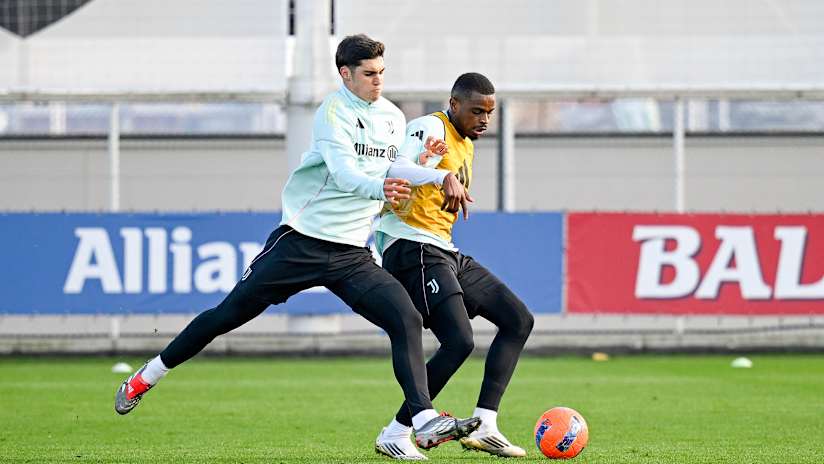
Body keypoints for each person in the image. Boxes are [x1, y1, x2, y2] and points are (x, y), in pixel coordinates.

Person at [114, 34, 481, 450]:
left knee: (406, 319)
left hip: (351, 254)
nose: (378, 80)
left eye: (381, 72)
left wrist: (433, 170)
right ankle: (147, 376)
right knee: (226, 315)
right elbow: (344, 174)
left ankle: (421, 422)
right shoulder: (333, 112)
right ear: (345, 74)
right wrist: (383, 187)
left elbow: (394, 167)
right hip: (301, 242)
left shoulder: (393, 116)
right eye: (368, 74)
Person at [372, 73, 534, 459]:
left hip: (443, 249)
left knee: (518, 320)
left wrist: (438, 173)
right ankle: (396, 432)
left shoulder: (465, 145)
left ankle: (486, 424)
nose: (484, 119)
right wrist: (440, 174)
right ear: (455, 103)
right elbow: (394, 169)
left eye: (490, 113)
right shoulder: (431, 126)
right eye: (477, 111)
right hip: (411, 247)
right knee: (459, 341)